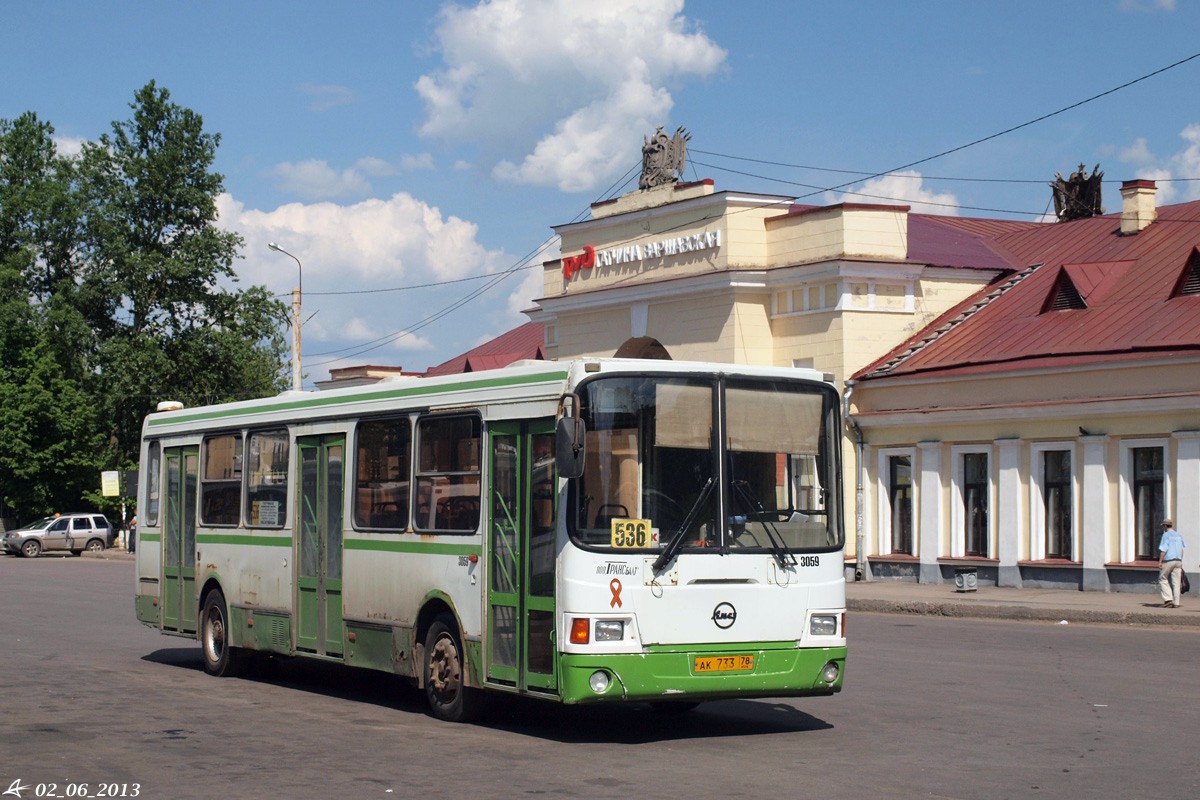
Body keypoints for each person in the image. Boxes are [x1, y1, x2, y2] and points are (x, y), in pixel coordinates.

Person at [1157, 518, 1185, 608]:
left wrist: (1160, 561)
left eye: (1163, 526)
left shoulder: (1166, 535)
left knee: (1162, 578)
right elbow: (1182, 549)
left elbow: (1163, 550)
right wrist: (1181, 560)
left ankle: (1168, 599)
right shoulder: (1179, 535)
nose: (1163, 528)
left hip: (1169, 561)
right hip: (1178, 560)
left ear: (1165, 526)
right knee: (1176, 582)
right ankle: (1176, 603)